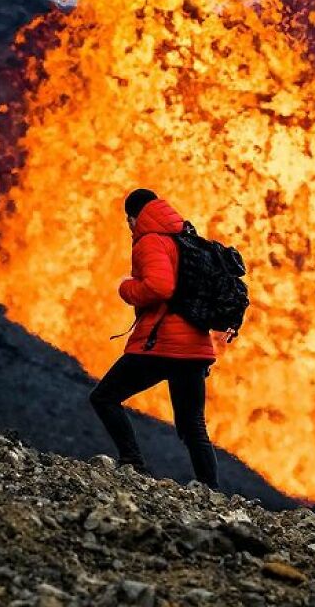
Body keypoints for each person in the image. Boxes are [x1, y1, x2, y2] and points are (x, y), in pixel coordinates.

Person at [89, 188, 219, 489]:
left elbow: (160, 287)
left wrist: (127, 289)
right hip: (195, 347)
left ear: (135, 217)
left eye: (129, 220)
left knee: (104, 397)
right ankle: (212, 492)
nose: (130, 227)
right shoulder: (187, 238)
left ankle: (132, 463)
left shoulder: (150, 240)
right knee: (193, 425)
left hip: (161, 344)